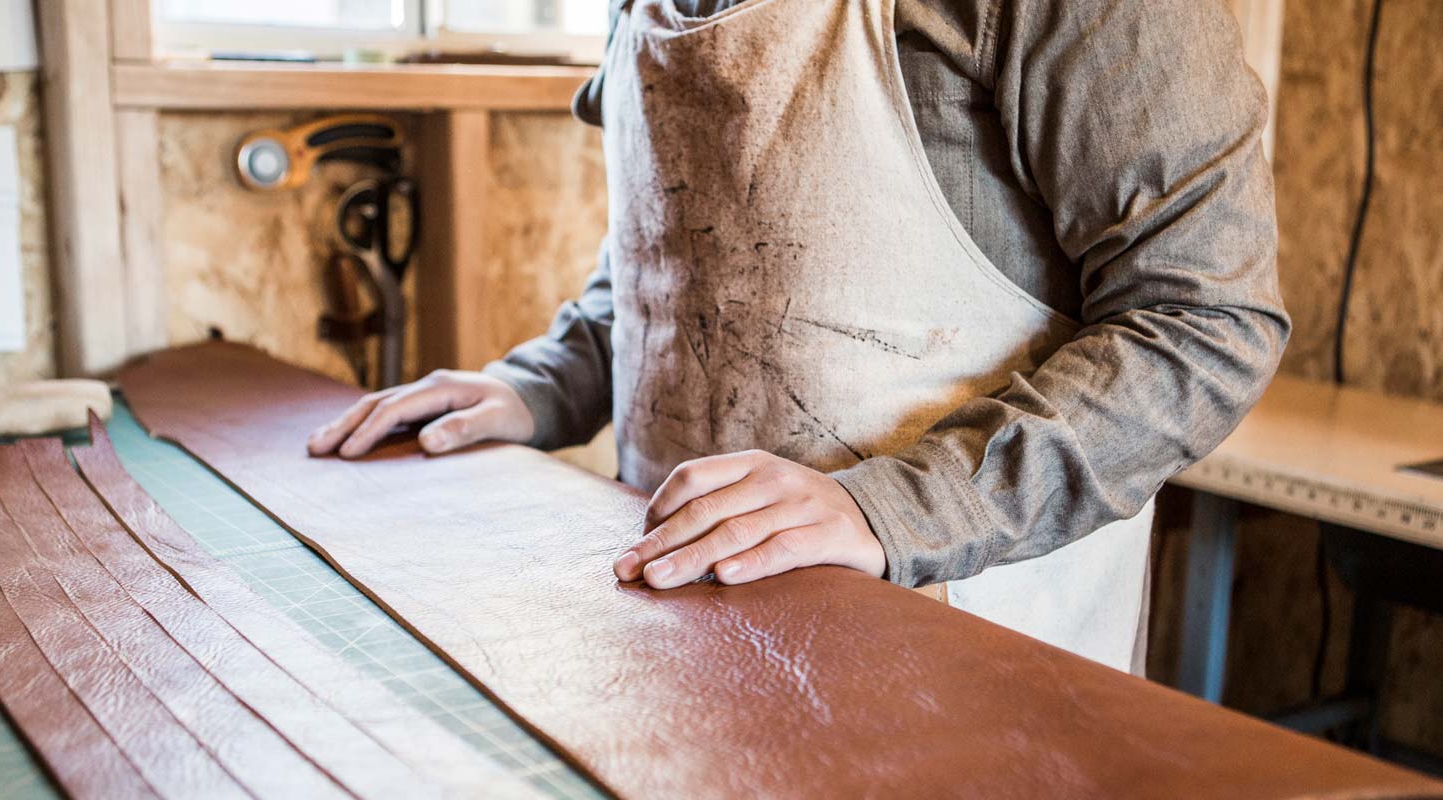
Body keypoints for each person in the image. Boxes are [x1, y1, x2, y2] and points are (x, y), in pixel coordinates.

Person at [307, 0, 1289, 675]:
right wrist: (544, 382)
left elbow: (1203, 321)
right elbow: (687, 244)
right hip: (685, 626)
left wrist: (892, 510)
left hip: (963, 659)